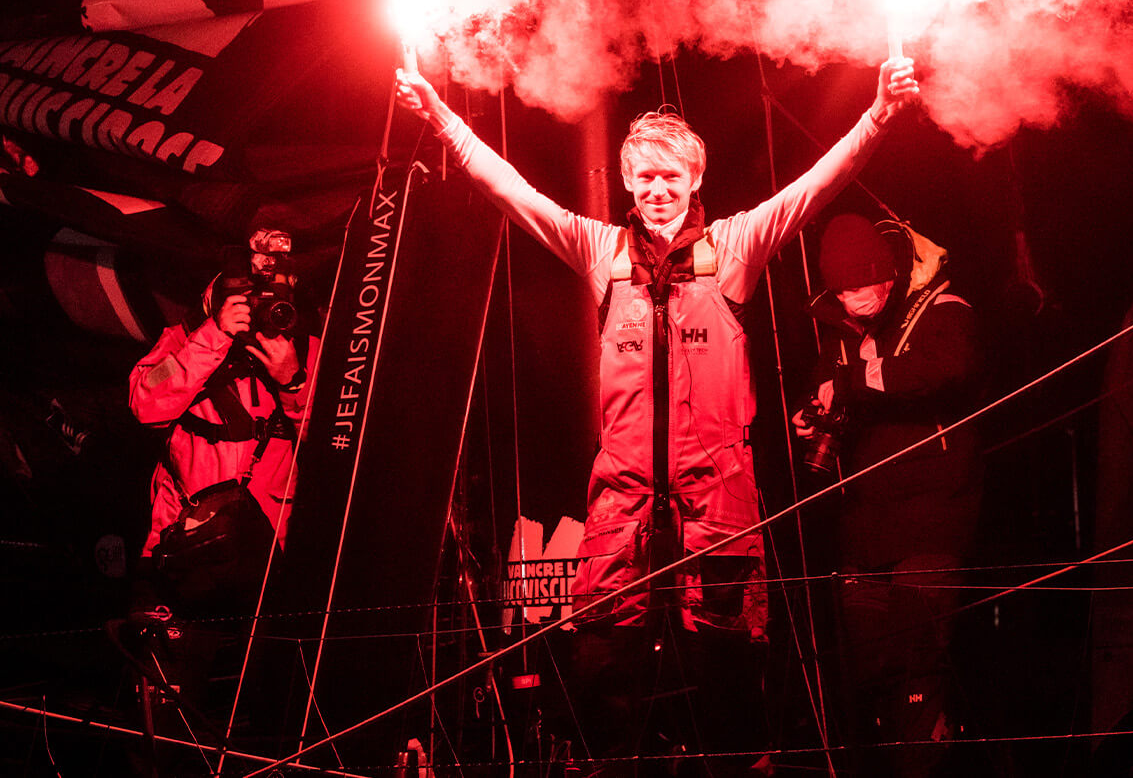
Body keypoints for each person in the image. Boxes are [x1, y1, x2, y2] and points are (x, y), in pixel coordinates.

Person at [395, 60, 918, 770]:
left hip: (718, 503)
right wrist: (441, 117)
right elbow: (510, 190)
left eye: (672, 177)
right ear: (628, 185)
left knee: (730, 688)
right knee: (604, 679)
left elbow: (816, 186)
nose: (659, 191)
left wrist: (880, 113)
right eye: (645, 178)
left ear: (695, 179)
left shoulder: (733, 247)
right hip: (622, 503)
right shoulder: (599, 250)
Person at [791, 214, 982, 777]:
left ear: (890, 274)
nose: (853, 298)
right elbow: (824, 391)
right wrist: (808, 416)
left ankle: (928, 762)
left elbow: (945, 370)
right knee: (868, 671)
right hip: (862, 527)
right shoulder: (842, 333)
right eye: (842, 289)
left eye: (863, 284)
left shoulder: (945, 310)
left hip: (930, 517)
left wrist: (854, 383)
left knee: (916, 665)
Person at [129, 227, 318, 609]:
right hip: (181, 550)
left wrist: (294, 382)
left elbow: (338, 443)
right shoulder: (185, 341)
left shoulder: (305, 350)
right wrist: (213, 336)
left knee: (272, 665)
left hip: (267, 554)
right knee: (161, 663)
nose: (259, 305)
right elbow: (145, 402)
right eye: (248, 298)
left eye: (272, 294)